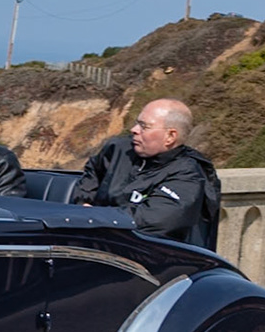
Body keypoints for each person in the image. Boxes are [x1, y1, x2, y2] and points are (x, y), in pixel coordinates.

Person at [70, 98, 221, 246]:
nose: (134, 130)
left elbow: (154, 220)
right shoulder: (118, 149)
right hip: (95, 240)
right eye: (137, 123)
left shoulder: (188, 175)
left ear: (170, 136)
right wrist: (84, 202)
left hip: (147, 253)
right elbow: (92, 173)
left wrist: (95, 217)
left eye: (144, 126)